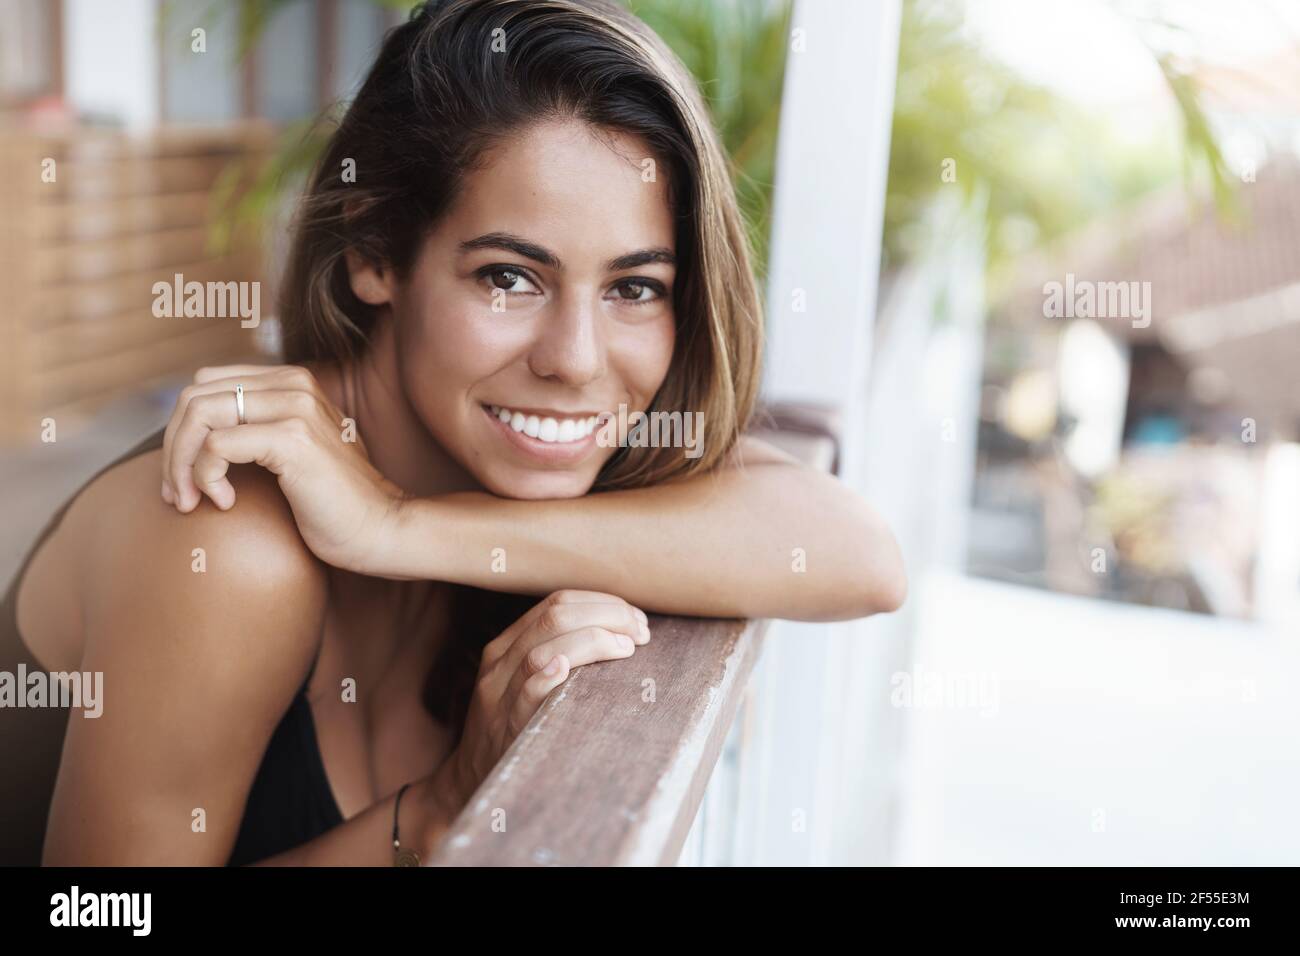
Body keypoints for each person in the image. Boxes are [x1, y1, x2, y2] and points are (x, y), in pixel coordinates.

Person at [1, 0, 905, 866]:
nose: (577, 361)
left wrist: (399, 527)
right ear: (374, 251)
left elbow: (860, 555)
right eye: (510, 277)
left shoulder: (535, 470)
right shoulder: (229, 546)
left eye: (635, 288)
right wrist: (436, 814)